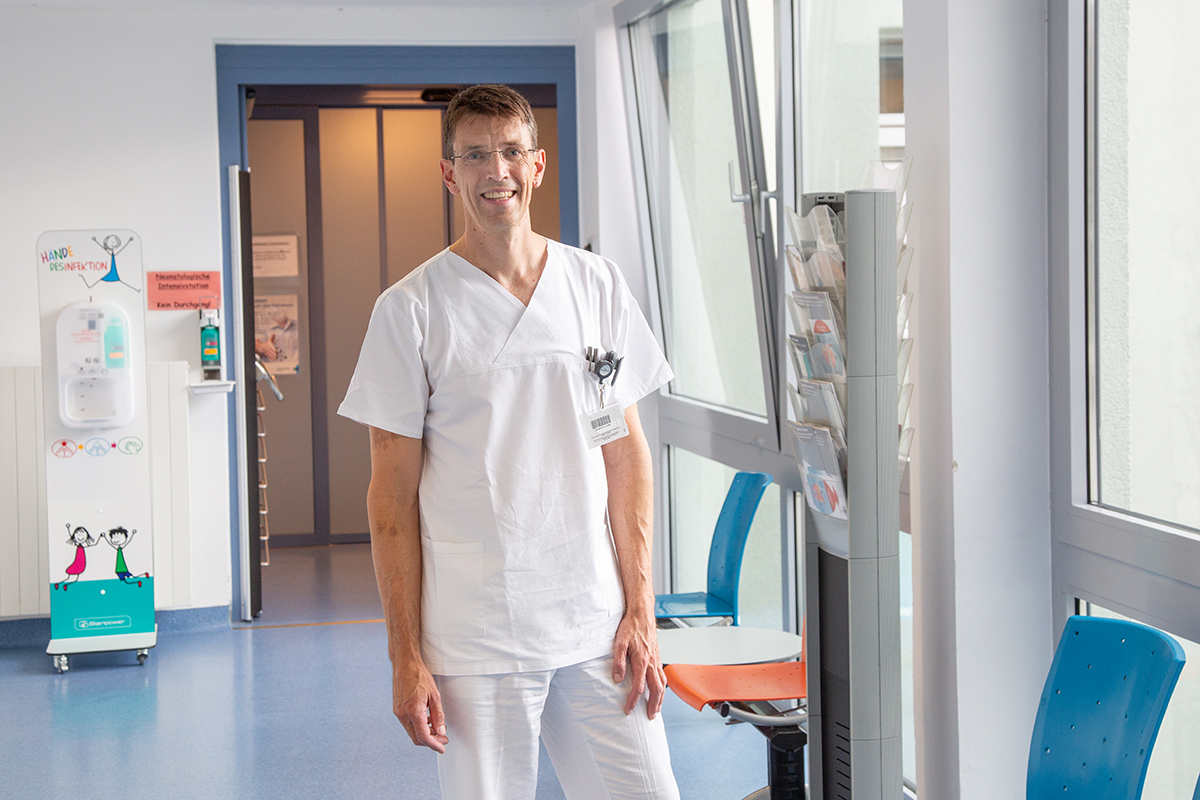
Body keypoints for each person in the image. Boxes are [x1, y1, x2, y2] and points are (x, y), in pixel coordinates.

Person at [338, 84, 679, 800]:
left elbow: (625, 455)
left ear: (538, 164)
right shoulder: (410, 310)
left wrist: (641, 607)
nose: (497, 171)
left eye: (511, 151)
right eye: (475, 155)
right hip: (477, 631)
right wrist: (405, 655)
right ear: (449, 172)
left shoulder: (595, 285)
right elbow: (391, 500)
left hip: (594, 620)